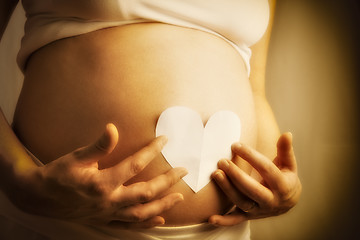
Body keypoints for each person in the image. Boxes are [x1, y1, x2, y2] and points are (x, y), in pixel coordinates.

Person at [0, 0, 302, 239]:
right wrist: (18, 178)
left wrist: (277, 181)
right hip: (63, 222)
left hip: (222, 232)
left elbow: (255, 89)